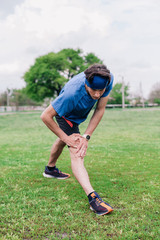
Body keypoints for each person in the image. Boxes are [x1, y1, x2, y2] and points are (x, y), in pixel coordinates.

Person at [41, 63, 114, 216]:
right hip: (65, 115)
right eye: (93, 90)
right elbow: (46, 116)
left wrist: (86, 136)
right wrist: (67, 138)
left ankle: (50, 169)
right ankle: (93, 199)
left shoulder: (108, 79)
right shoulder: (71, 93)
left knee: (66, 141)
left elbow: (100, 109)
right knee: (77, 150)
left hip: (77, 116)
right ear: (86, 83)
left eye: (101, 90)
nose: (97, 95)